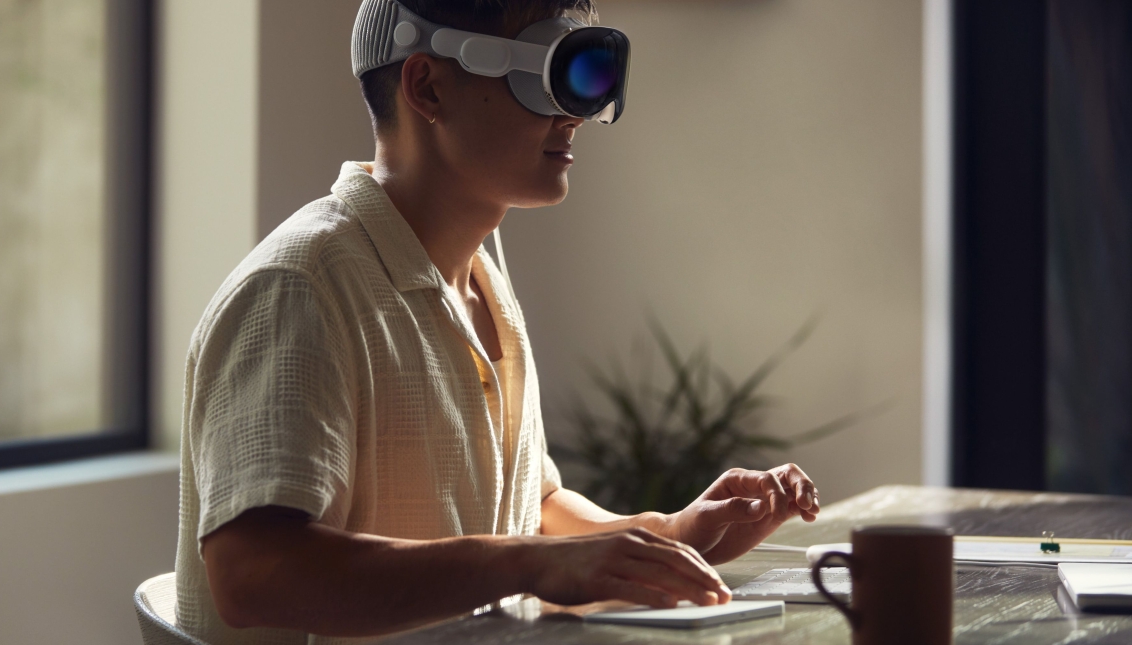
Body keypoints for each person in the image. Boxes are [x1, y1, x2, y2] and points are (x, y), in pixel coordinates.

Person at [174, 1, 821, 644]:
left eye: (588, 77)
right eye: (547, 73)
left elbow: (526, 511)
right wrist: (527, 565)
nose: (577, 114)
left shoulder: (481, 283)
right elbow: (255, 574)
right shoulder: (302, 290)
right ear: (427, 86)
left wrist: (670, 532)